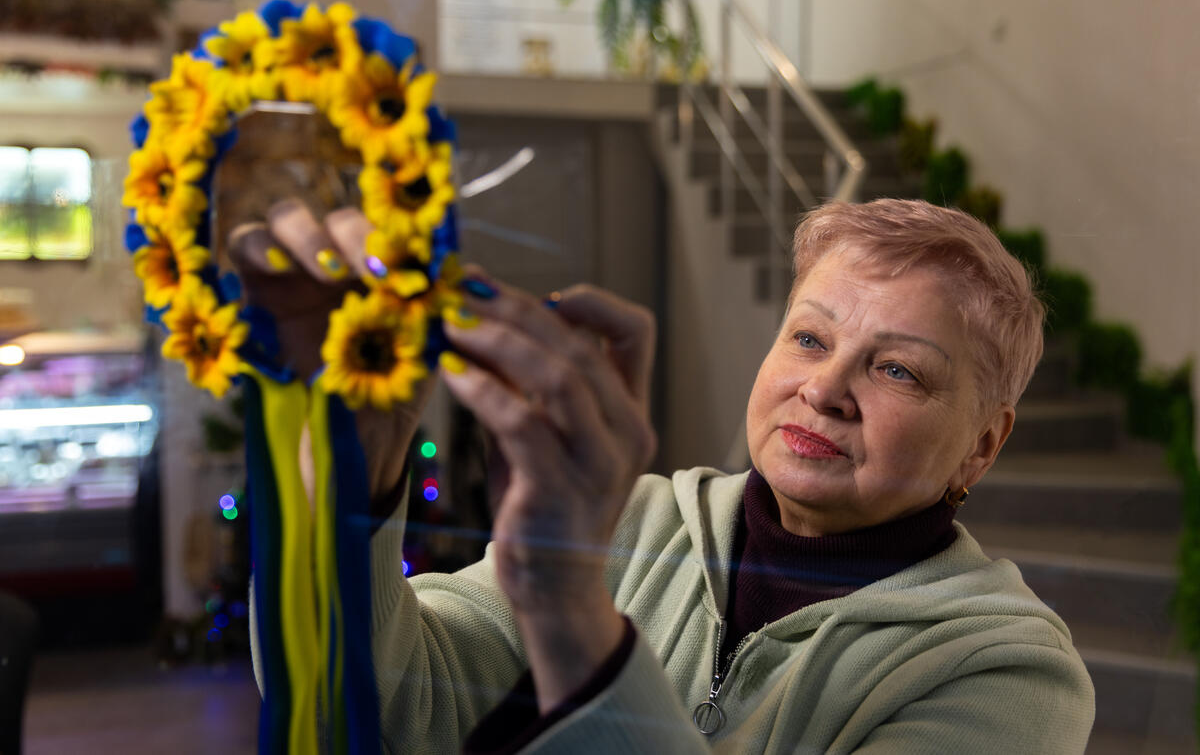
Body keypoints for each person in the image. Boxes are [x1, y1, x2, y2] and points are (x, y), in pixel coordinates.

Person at [238, 197, 1095, 753]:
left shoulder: (1009, 674)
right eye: (808, 337)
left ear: (983, 445)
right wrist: (348, 460)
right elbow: (387, 717)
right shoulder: (629, 522)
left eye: (898, 370)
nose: (825, 388)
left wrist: (573, 611)